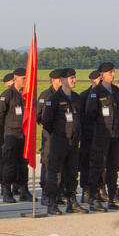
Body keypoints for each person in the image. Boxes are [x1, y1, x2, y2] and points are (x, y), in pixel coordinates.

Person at [41, 68, 88, 215]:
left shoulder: (76, 98)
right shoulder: (54, 98)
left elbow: (81, 118)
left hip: (74, 141)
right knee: (56, 173)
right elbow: (47, 121)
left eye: (74, 77)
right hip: (59, 140)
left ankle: (71, 201)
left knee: (72, 172)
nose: (74, 80)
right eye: (71, 78)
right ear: (62, 80)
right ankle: (52, 201)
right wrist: (58, 133)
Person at [85, 62, 119, 212]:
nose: (113, 74)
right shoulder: (96, 92)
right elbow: (89, 116)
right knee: (97, 168)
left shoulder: (116, 92)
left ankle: (113, 198)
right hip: (100, 137)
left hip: (115, 136)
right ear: (102, 75)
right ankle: (94, 198)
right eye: (110, 72)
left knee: (113, 168)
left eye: (113, 72)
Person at [0, 68, 35, 203]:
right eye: (23, 78)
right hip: (12, 134)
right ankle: (7, 191)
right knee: (10, 163)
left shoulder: (27, 94)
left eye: (27, 78)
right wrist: (10, 124)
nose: (25, 80)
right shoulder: (8, 94)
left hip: (24, 134)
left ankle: (24, 190)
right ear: (15, 79)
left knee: (23, 164)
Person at [79, 70, 107, 203]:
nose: (100, 81)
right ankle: (86, 191)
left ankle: (101, 188)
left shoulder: (106, 95)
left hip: (100, 135)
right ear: (93, 81)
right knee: (86, 163)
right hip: (87, 135)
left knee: (101, 164)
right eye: (98, 79)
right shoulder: (84, 96)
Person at [36, 69, 63, 206]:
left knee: (60, 162)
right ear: (53, 80)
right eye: (59, 80)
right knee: (47, 161)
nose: (61, 82)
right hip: (49, 134)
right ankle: (45, 193)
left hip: (62, 135)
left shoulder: (64, 95)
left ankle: (58, 192)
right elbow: (38, 114)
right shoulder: (45, 95)